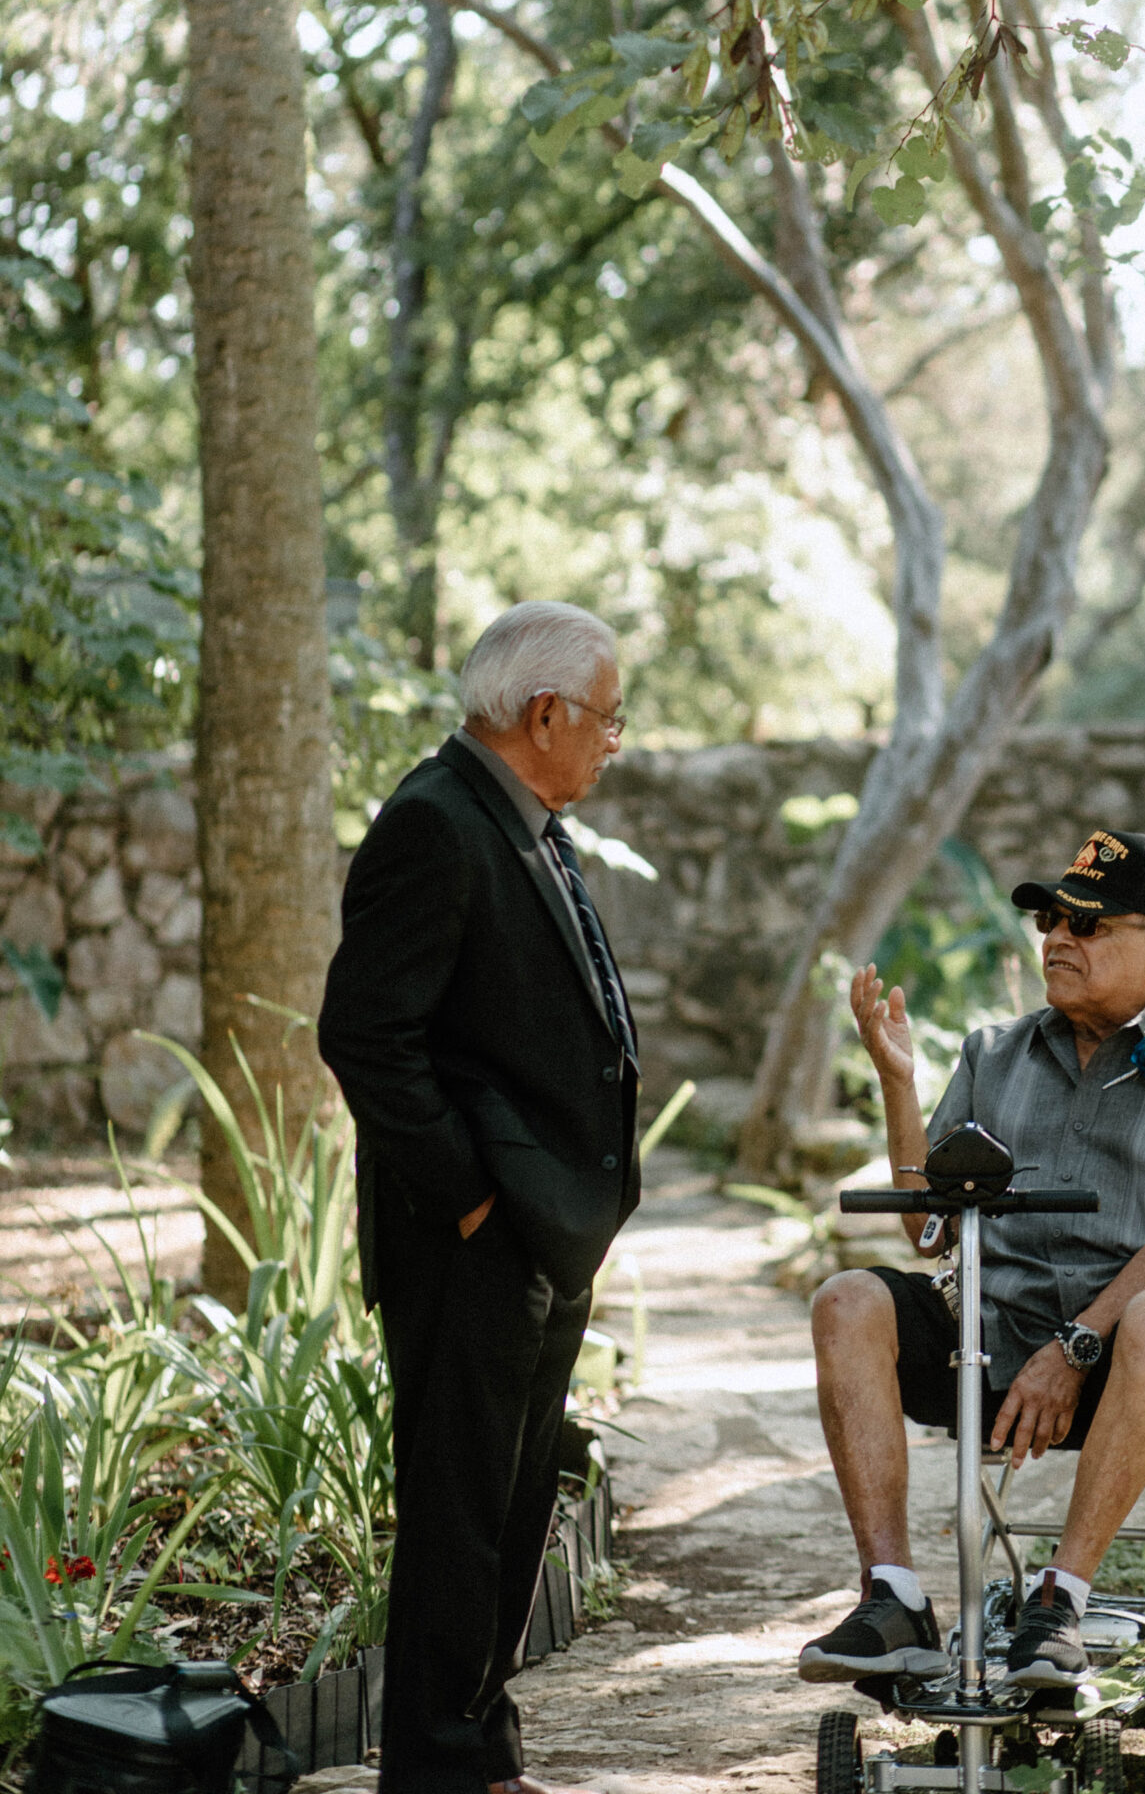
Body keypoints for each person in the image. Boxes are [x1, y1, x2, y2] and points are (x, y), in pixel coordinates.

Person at [799, 827, 1145, 1689]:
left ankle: (1058, 1601)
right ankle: (893, 1598)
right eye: (1051, 921)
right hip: (998, 1329)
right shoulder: (995, 1050)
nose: (1058, 939)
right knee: (846, 1300)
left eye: (1088, 926)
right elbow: (930, 1228)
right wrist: (898, 1083)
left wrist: (1076, 1346)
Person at [319, 600, 640, 1794]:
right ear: (543, 713)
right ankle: (439, 1770)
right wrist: (469, 1202)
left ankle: (481, 1755)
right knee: (459, 1519)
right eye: (607, 718)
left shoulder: (527, 820)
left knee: (508, 1512)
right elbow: (365, 1036)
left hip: (538, 1238)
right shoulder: (435, 823)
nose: (616, 740)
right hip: (470, 1243)